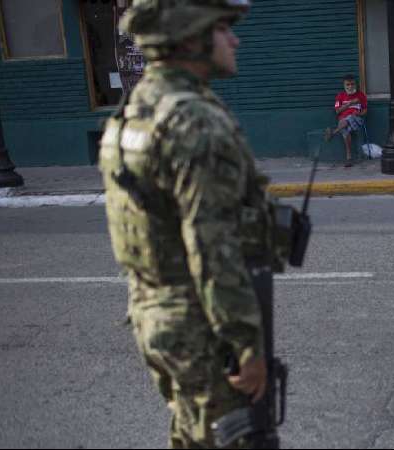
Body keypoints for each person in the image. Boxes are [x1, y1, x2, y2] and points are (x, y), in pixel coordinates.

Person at [99, 0, 275, 447]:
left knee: (190, 433)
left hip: (154, 318)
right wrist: (248, 347)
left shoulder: (131, 114)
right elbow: (212, 248)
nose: (235, 40)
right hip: (201, 329)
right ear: (192, 37)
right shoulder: (194, 122)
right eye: (223, 29)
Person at [325, 74, 368, 167]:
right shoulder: (340, 96)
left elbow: (365, 111)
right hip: (343, 121)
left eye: (352, 84)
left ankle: (333, 132)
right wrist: (349, 103)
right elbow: (337, 111)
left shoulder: (361, 95)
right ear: (344, 85)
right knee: (344, 129)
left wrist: (359, 113)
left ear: (355, 84)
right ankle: (349, 158)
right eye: (348, 84)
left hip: (356, 119)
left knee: (349, 118)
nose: (350, 86)